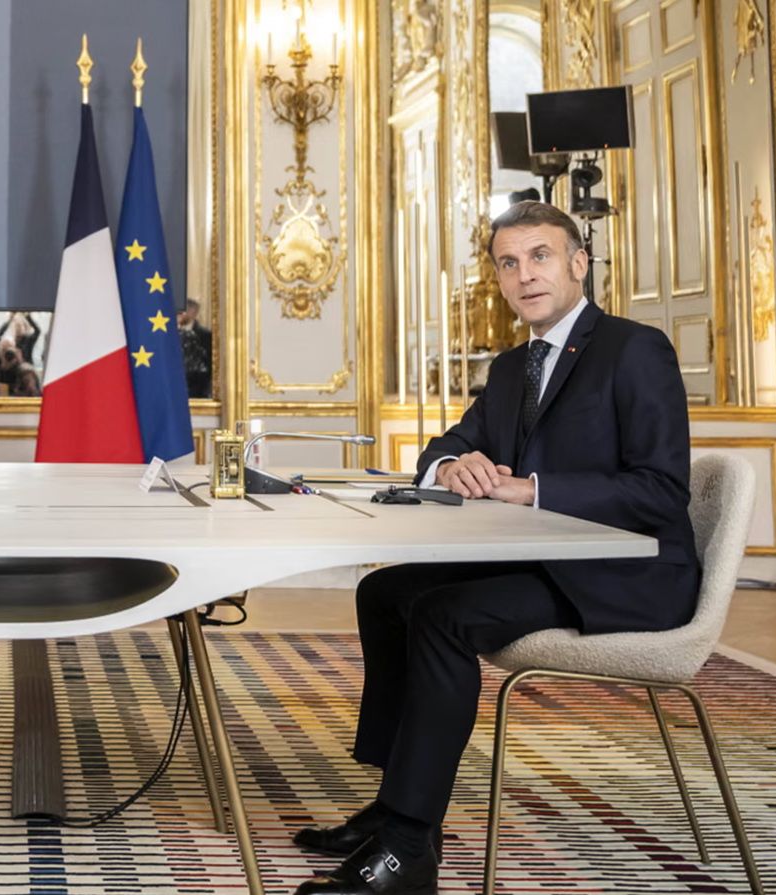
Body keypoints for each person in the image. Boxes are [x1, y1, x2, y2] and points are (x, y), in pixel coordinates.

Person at [291, 201, 698, 895]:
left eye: (540, 256)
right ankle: (396, 802)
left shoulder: (635, 349)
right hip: (544, 560)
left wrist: (533, 489)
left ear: (578, 262)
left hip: (622, 574)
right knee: (386, 592)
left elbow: (661, 491)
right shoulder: (512, 368)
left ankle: (410, 848)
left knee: (446, 615)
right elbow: (449, 442)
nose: (524, 275)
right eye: (508, 263)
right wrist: (449, 468)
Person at [178, 299, 213, 399]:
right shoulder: (168, 333)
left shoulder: (207, 336)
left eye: (185, 310)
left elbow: (210, 365)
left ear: (194, 312)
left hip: (198, 391)